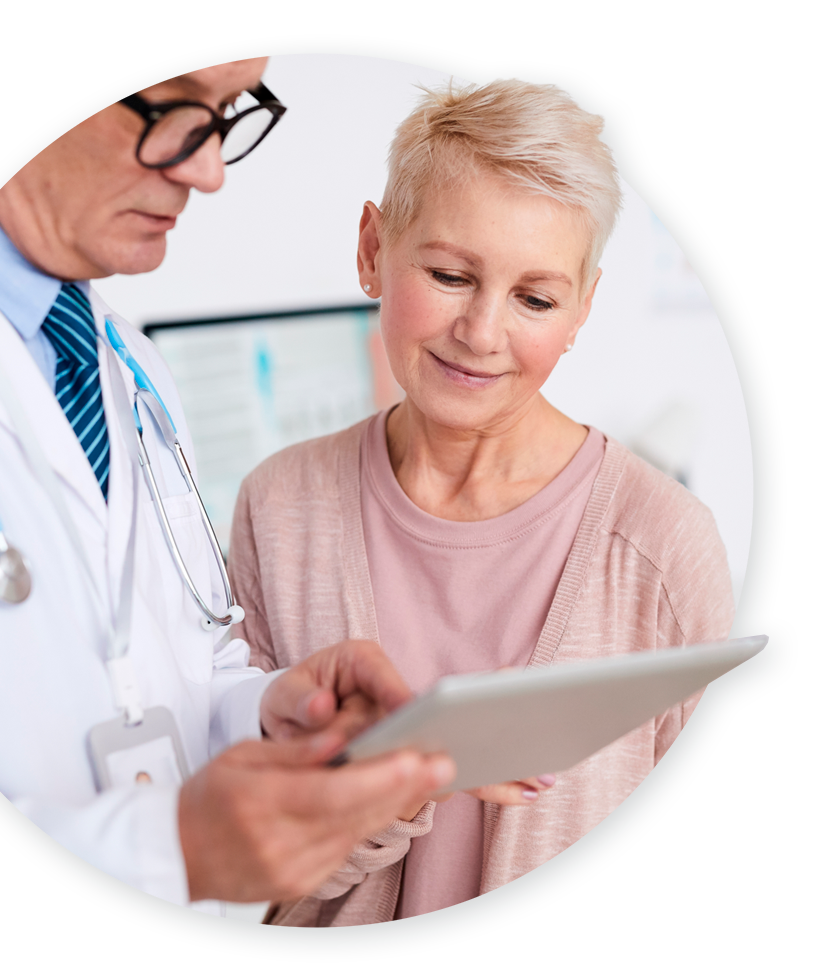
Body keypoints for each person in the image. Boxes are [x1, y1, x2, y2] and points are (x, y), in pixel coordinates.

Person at [0, 52, 460, 927]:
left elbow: (163, 664)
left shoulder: (124, 361)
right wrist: (169, 851)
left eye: (226, 113)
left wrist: (268, 717)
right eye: (169, 109)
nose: (208, 169)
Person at [227, 78, 754, 927]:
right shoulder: (280, 507)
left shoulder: (661, 543)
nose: (481, 332)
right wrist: (405, 773)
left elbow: (713, 893)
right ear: (372, 248)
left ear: (582, 307)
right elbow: (245, 857)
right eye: (447, 275)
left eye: (535, 299)